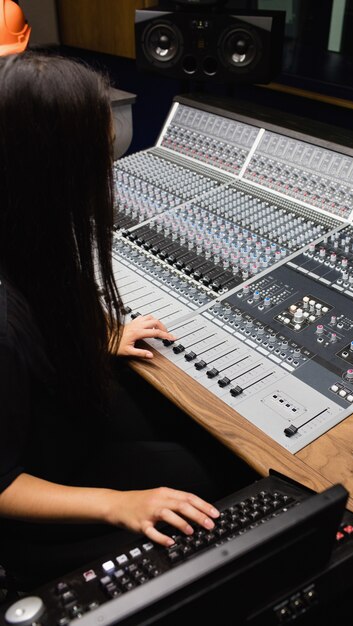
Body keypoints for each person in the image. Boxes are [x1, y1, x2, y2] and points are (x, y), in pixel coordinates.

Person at [0, 51, 232, 592]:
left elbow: (38, 313)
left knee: (176, 453)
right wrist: (117, 505)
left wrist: (95, 335)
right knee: (187, 475)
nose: (108, 174)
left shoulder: (24, 229)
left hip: (55, 437)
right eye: (99, 160)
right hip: (27, 519)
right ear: (54, 171)